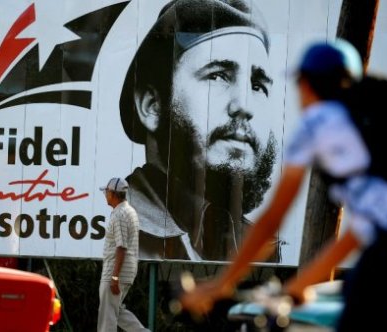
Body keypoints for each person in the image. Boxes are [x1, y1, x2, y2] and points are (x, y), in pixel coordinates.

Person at [180, 40, 387, 331]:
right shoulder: (375, 120)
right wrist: (298, 286)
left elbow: (272, 218)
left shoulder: (318, 123)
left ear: (307, 85)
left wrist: (222, 284)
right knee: (365, 298)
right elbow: (360, 232)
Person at [119, 0, 280, 261]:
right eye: (217, 75)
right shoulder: (121, 226)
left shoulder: (261, 246)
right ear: (152, 106)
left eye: (258, 85)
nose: (244, 106)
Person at [97, 177, 149, 332]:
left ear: (113, 193)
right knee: (116, 311)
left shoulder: (119, 214)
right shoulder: (129, 211)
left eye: (106, 191)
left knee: (107, 316)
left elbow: (121, 247)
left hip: (115, 272)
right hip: (126, 271)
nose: (105, 194)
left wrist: (114, 277)